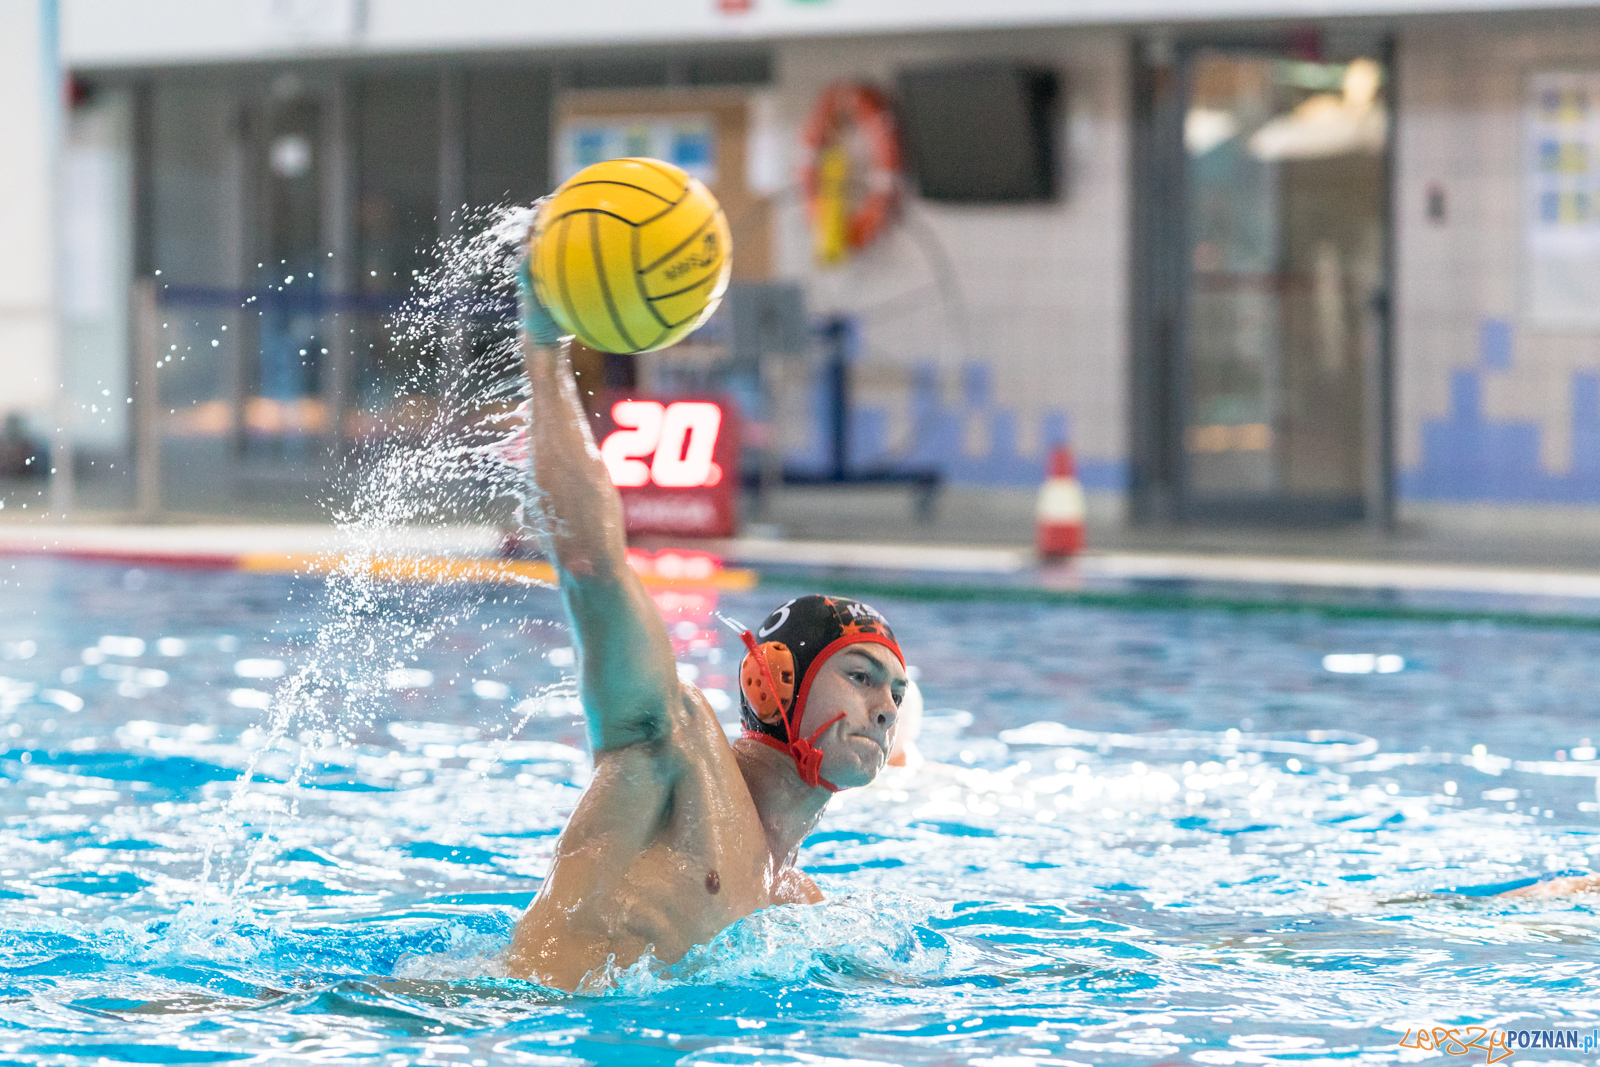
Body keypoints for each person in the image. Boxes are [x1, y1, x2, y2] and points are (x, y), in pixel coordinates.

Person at [504, 255, 907, 991]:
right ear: (776, 681)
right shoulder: (672, 745)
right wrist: (542, 342)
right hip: (491, 1023)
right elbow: (592, 562)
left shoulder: (798, 905)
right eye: (860, 676)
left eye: (896, 693)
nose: (885, 707)